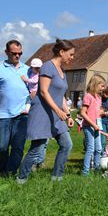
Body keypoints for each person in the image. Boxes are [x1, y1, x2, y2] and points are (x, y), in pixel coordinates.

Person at [17, 39, 75, 184]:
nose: (72, 58)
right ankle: (21, 179)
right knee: (36, 150)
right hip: (42, 112)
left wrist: (67, 114)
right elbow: (43, 91)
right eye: (71, 54)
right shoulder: (48, 67)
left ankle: (56, 178)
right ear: (61, 52)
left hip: (56, 114)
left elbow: (60, 95)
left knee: (67, 144)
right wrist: (57, 110)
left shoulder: (62, 71)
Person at [0, 40, 30, 177]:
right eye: (14, 53)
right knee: (2, 146)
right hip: (5, 115)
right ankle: (3, 169)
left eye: (20, 53)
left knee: (18, 146)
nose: (17, 56)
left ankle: (10, 173)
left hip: (23, 115)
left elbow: (35, 90)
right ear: (6, 52)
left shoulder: (28, 70)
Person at [81, 74, 107, 176]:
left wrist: (103, 113)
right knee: (91, 148)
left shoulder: (98, 98)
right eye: (102, 86)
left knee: (99, 149)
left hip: (97, 126)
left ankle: (97, 170)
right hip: (89, 126)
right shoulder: (88, 97)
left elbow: (96, 112)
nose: (103, 88)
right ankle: (85, 172)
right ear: (95, 84)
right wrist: (93, 124)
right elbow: (83, 113)